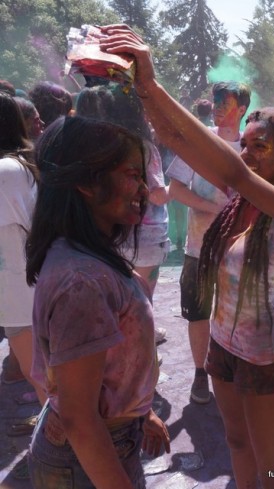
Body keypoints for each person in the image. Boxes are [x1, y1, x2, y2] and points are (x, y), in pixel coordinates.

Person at [99, 24, 274, 489]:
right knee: (238, 444)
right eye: (246, 142)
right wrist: (142, 89)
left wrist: (152, 82)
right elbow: (176, 139)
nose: (247, 151)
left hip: (261, 354)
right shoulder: (238, 202)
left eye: (261, 146)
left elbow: (233, 172)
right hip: (222, 343)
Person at [26, 116, 170, 489]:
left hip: (106, 443)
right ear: (87, 183)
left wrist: (140, 412)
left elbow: (107, 371)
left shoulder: (92, 256)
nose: (146, 187)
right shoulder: (83, 283)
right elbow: (79, 418)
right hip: (83, 461)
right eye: (132, 175)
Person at [166, 81, 251, 404]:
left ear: (241, 109)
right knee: (198, 313)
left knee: (237, 312)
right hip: (199, 247)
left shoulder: (250, 146)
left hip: (239, 251)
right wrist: (215, 207)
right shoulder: (198, 141)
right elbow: (176, 189)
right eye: (215, 100)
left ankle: (232, 367)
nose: (217, 106)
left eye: (224, 101)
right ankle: (200, 374)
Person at [76, 84, 170, 343]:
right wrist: (180, 191)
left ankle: (118, 342)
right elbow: (157, 194)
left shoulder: (96, 146)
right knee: (142, 296)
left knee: (114, 294)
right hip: (146, 232)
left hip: (109, 231)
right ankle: (143, 347)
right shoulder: (142, 147)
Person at [0, 91, 46, 406]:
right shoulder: (17, 165)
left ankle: (65, 448)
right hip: (24, 292)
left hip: (24, 295)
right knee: (45, 380)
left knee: (46, 382)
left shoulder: (6, 171)